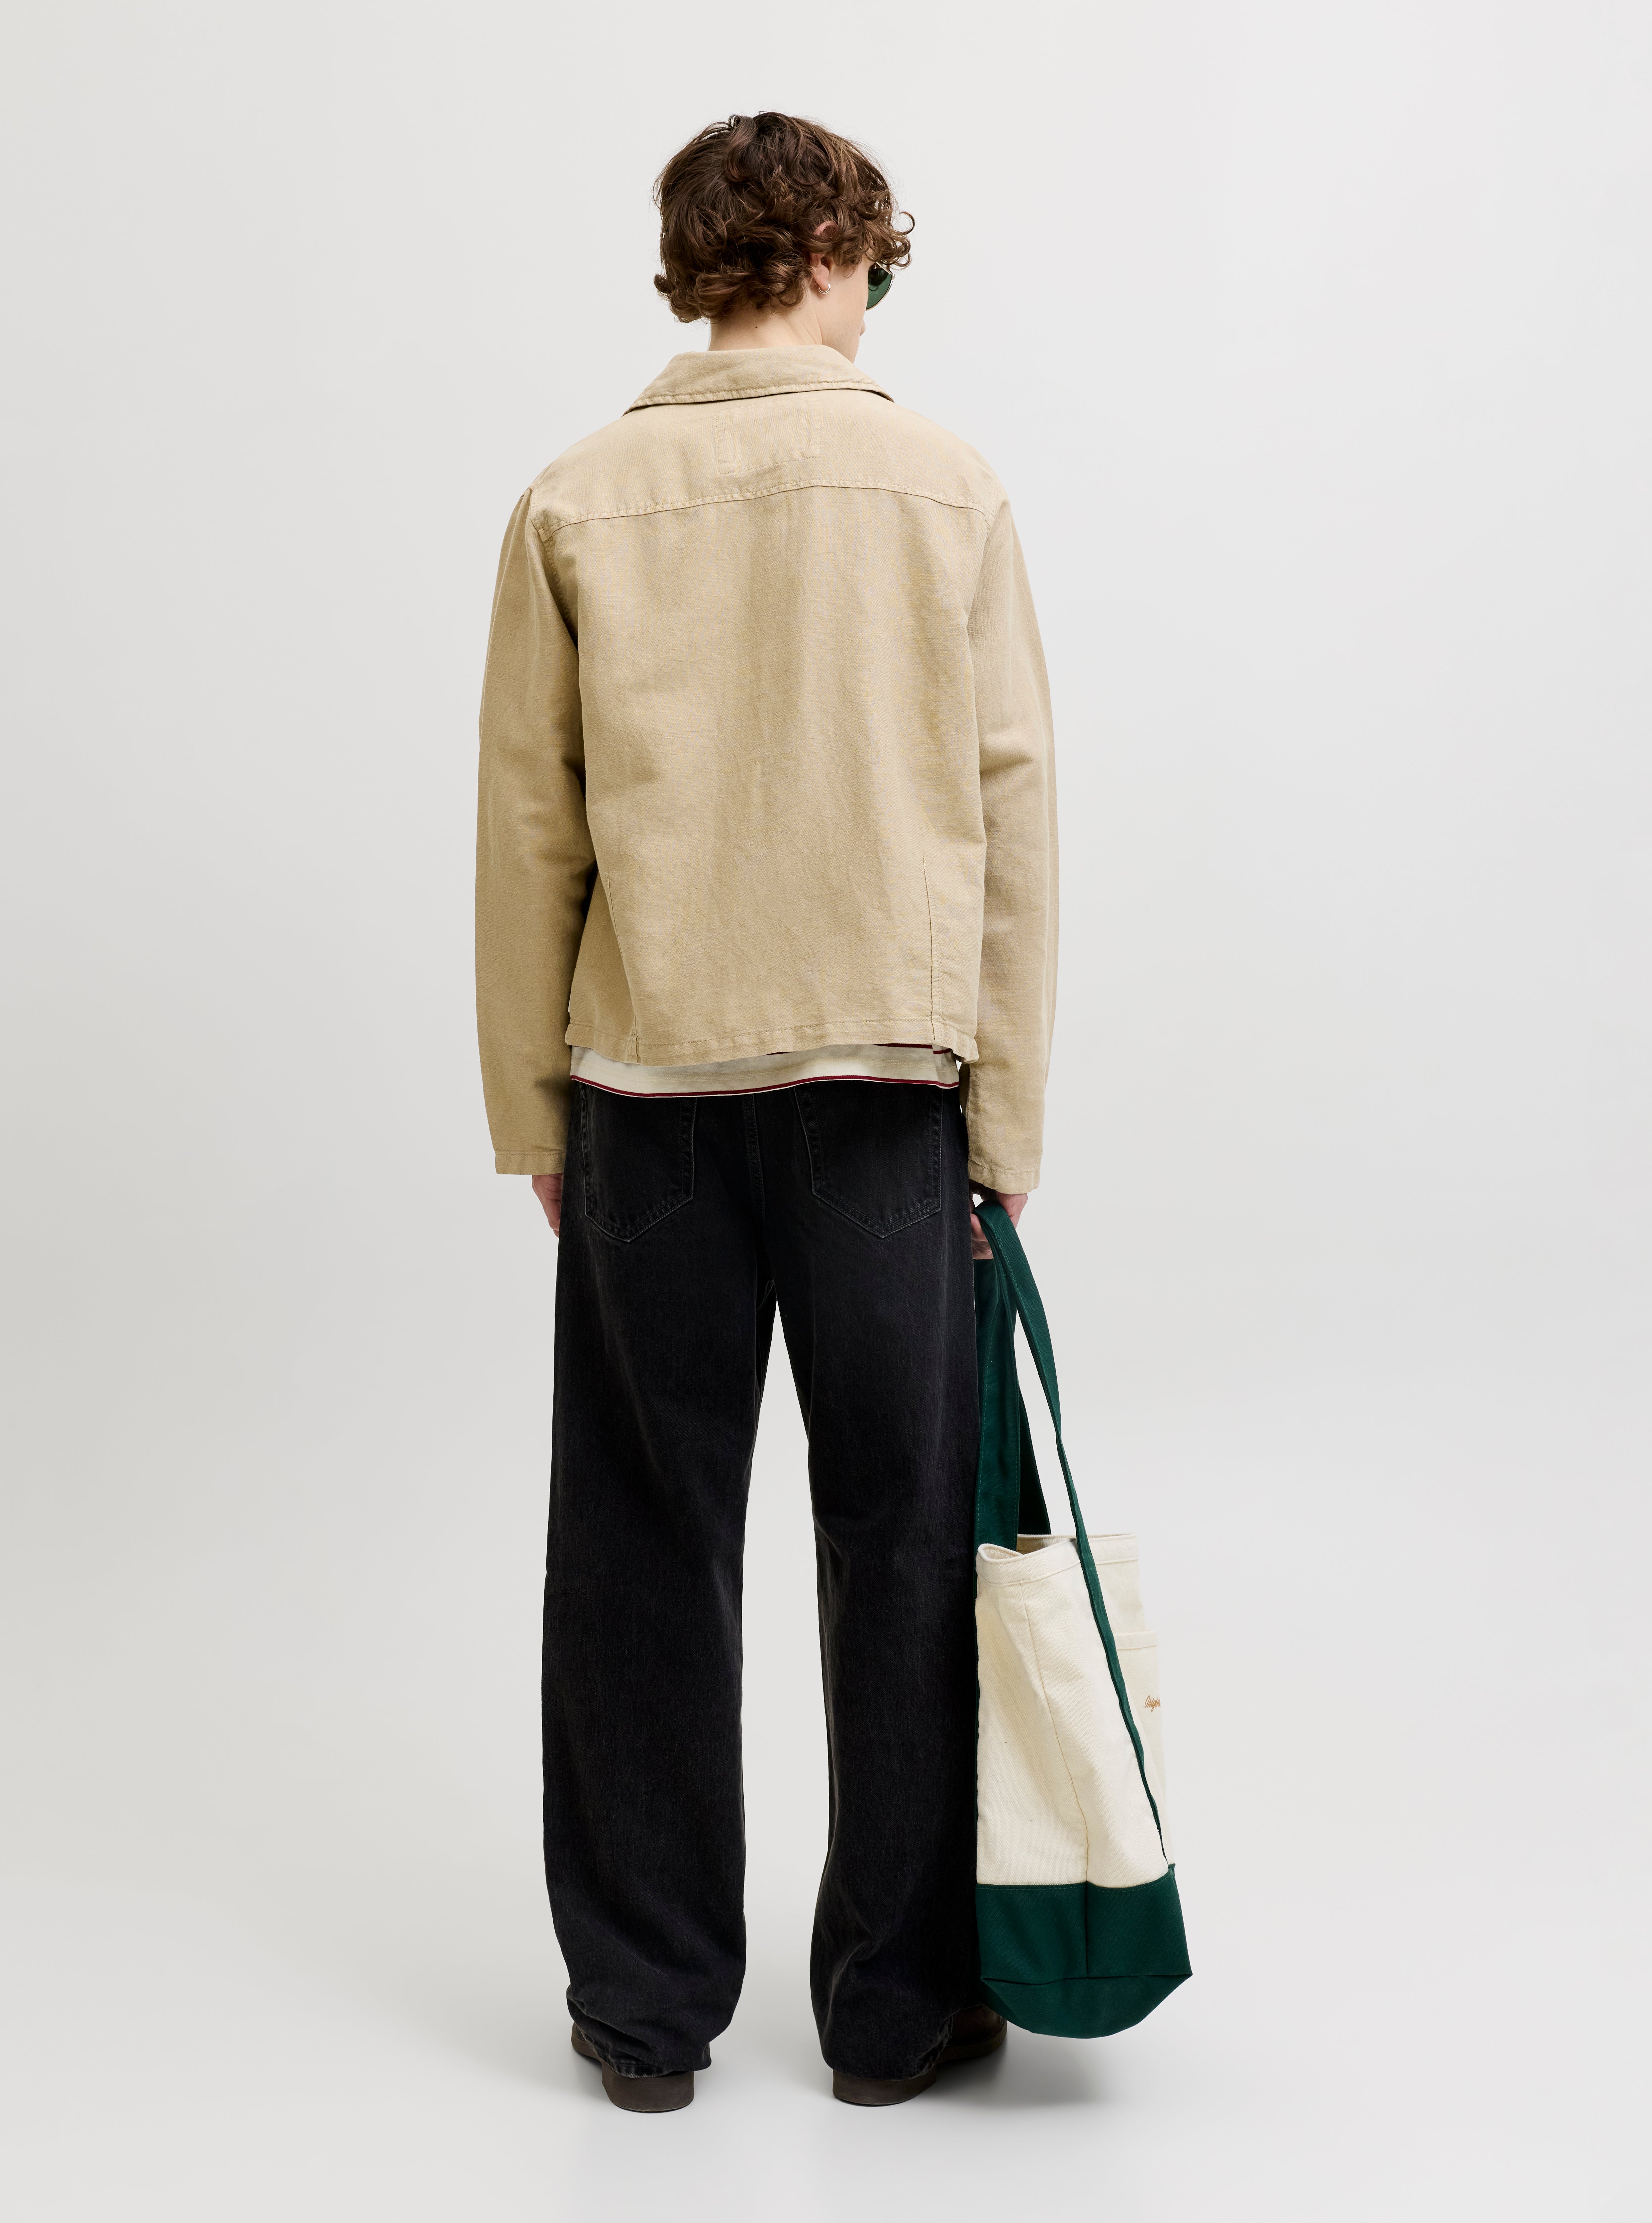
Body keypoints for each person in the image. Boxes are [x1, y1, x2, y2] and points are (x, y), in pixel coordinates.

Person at [475, 111, 1056, 2112]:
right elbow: (1010, 819)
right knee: (903, 1544)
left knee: (642, 1543)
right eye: (878, 257)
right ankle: (896, 2012)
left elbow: (530, 829)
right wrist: (1005, 1128)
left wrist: (534, 1113)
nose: (880, 290)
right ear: (828, 248)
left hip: (650, 1088)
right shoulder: (945, 486)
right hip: (889, 1094)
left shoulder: (576, 496)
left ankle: (646, 2015)